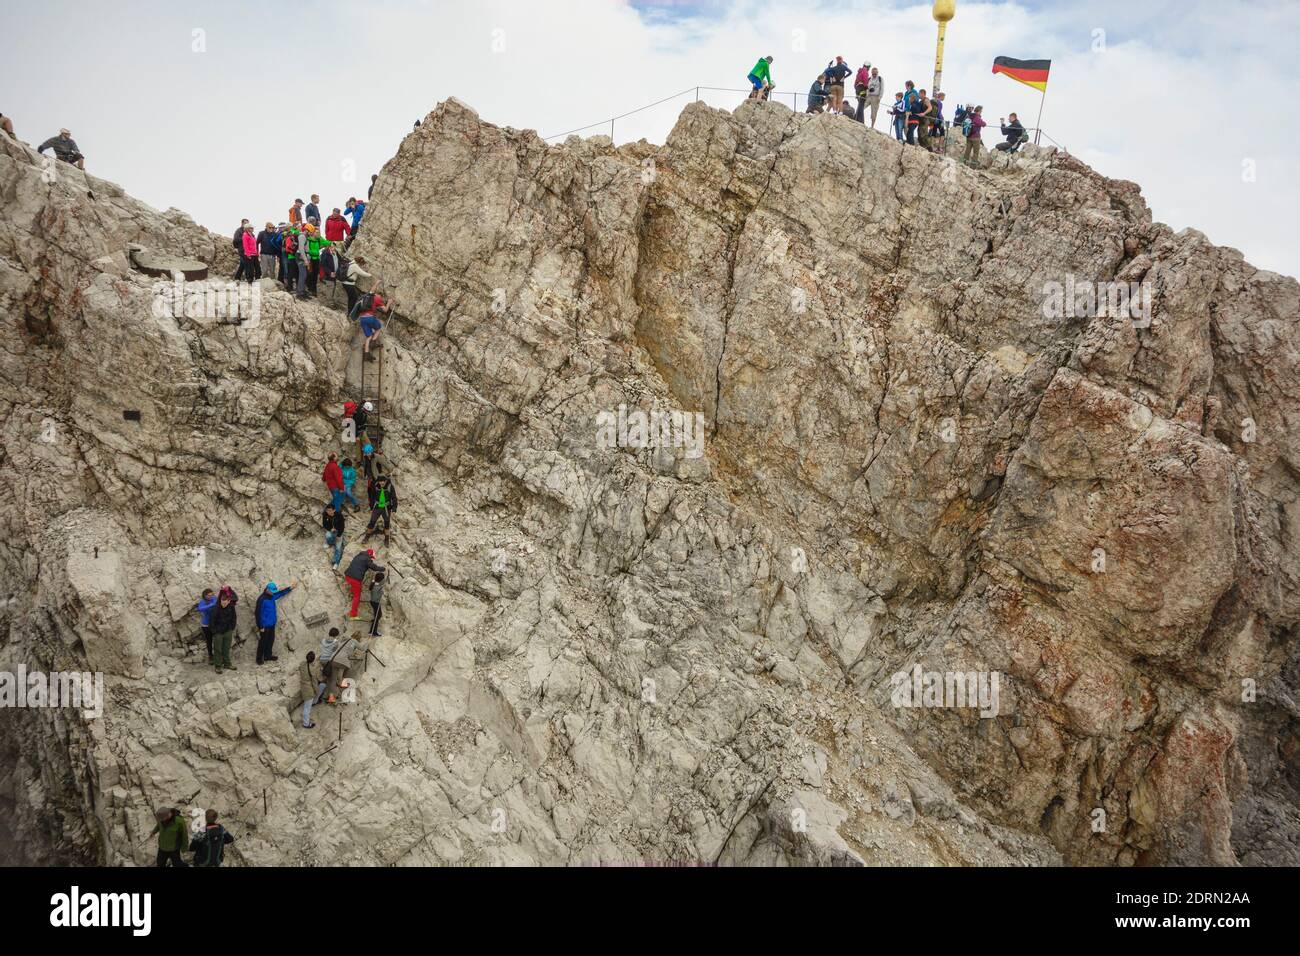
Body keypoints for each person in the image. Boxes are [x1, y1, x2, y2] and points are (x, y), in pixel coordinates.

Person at [253, 581, 296, 665]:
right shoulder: (261, 599)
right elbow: (257, 613)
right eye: (272, 591)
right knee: (263, 642)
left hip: (272, 624)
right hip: (264, 626)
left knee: (270, 640)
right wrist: (260, 626)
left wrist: (290, 588)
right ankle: (259, 659)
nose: (273, 593)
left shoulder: (272, 596)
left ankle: (267, 656)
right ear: (267, 590)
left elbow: (281, 593)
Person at [344, 549, 384, 619]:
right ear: (370, 555)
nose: (371, 559)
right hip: (355, 579)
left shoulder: (359, 555)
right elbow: (374, 567)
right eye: (372, 557)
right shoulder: (367, 559)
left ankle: (351, 593)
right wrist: (382, 569)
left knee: (354, 587)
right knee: (357, 596)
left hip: (348, 575)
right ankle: (353, 615)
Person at [363, 471, 397, 544]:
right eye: (380, 482)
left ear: (385, 480)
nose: (382, 483)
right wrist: (371, 508)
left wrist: (394, 509)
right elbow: (372, 497)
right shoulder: (375, 486)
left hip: (386, 507)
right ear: (378, 481)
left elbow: (394, 498)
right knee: (372, 522)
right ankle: (367, 536)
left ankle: (387, 539)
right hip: (377, 507)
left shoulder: (390, 486)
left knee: (387, 524)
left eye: (383, 481)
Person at [210, 586, 238, 672]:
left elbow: (234, 618)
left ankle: (227, 664)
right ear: (220, 600)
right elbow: (211, 621)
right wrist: (215, 632)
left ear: (229, 601)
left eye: (225, 603)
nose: (223, 604)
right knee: (217, 649)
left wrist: (231, 628)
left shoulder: (231, 607)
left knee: (226, 648)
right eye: (222, 602)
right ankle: (218, 666)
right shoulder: (215, 608)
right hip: (218, 632)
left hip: (228, 631)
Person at [299, 651, 327, 729]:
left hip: (303, 686)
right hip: (308, 689)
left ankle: (315, 701)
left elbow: (303, 668)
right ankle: (306, 723)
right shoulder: (312, 670)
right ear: (313, 659)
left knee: (322, 686)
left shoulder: (302, 664)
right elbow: (314, 683)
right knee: (307, 708)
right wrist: (317, 692)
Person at [196, 588, 218, 662]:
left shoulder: (214, 598)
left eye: (211, 595)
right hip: (206, 625)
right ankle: (210, 656)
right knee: (209, 641)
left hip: (214, 624)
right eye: (209, 595)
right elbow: (200, 608)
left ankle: (217, 655)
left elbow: (217, 602)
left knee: (217, 640)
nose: (210, 596)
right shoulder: (203, 602)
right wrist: (211, 605)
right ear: (205, 596)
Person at [323, 501, 346, 570]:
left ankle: (336, 563)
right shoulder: (325, 515)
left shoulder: (339, 515)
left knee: (338, 548)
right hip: (331, 530)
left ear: (334, 510)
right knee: (328, 535)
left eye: (330, 511)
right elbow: (324, 524)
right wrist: (330, 529)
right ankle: (330, 543)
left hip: (339, 531)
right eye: (327, 511)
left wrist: (339, 535)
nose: (328, 512)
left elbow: (342, 526)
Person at [282, 223, 301, 293]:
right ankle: (289, 288)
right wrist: (293, 251)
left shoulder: (293, 236)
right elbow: (288, 248)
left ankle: (295, 288)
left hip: (294, 257)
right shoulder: (289, 238)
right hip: (291, 256)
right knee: (291, 273)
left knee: (296, 273)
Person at [368, 572, 386, 638]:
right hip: (376, 602)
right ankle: (373, 632)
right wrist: (381, 593)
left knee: (378, 615)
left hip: (372, 602)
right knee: (378, 616)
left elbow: (380, 583)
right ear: (381, 580)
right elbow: (377, 597)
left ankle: (374, 620)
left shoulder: (373, 583)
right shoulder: (377, 587)